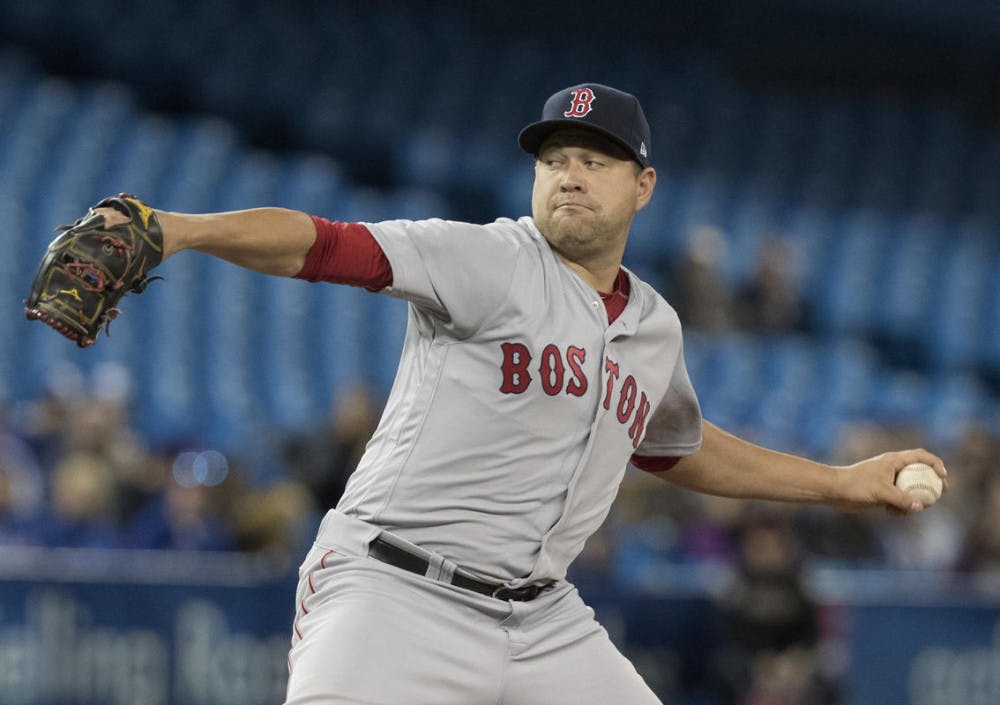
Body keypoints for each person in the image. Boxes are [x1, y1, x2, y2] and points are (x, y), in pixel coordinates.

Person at [92, 83, 947, 705]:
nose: (569, 175)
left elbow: (673, 447)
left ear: (642, 186)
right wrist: (180, 231)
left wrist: (839, 482)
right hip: (397, 590)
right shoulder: (490, 259)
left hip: (542, 620)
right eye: (555, 160)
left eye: (594, 159)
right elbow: (324, 245)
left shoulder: (653, 326)